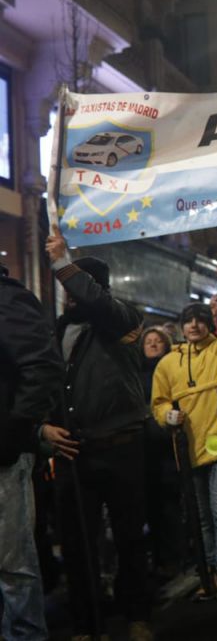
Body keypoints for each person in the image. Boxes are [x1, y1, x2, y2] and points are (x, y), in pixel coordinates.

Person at [41, 225, 153, 641]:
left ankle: (138, 614)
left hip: (122, 447)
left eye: (77, 285)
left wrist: (62, 262)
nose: (70, 295)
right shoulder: (57, 329)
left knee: (129, 539)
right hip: (73, 453)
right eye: (67, 287)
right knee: (78, 546)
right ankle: (88, 624)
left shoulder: (122, 321)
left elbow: (97, 303)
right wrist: (44, 428)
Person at [151, 264, 217, 599]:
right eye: (188, 321)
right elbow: (158, 402)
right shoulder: (168, 363)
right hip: (189, 447)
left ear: (209, 323)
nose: (194, 325)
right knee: (201, 516)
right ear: (181, 327)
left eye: (199, 319)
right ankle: (209, 572)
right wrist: (168, 416)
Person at [0, 262, 62, 641]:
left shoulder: (7, 299)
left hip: (3, 458)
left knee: (12, 568)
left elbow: (43, 367)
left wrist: (11, 430)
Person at [139, 326, 182, 577]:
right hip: (146, 450)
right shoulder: (137, 373)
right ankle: (158, 557)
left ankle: (173, 556)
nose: (153, 344)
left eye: (158, 341)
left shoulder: (171, 368)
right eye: (149, 341)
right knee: (152, 504)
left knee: (169, 503)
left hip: (168, 446)